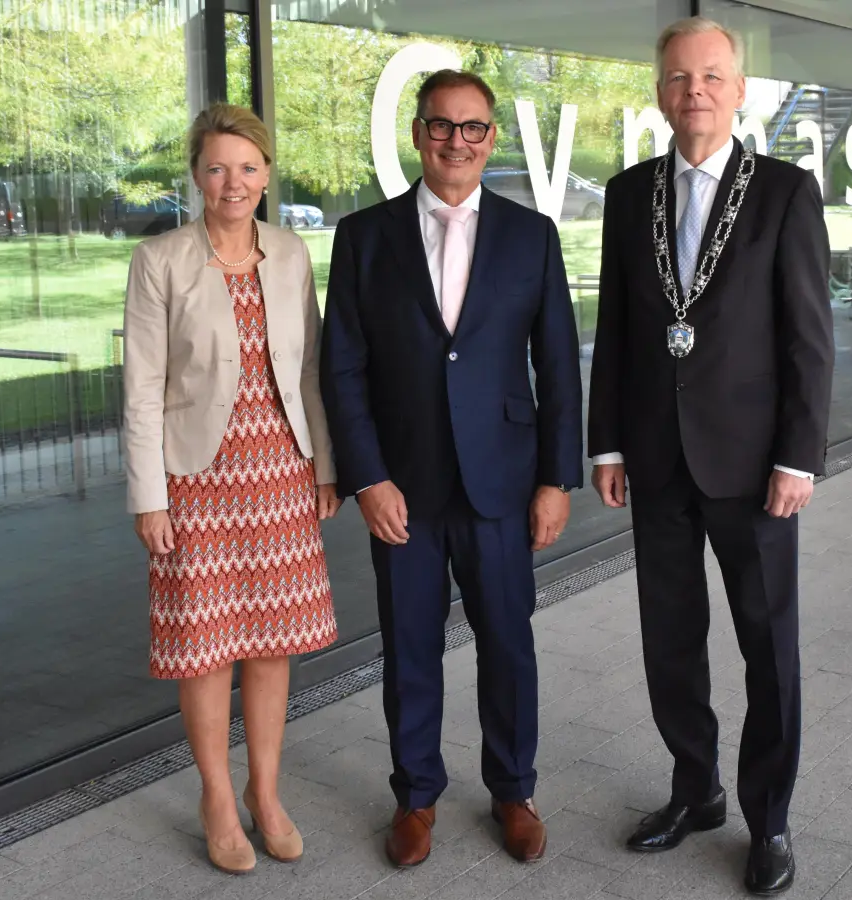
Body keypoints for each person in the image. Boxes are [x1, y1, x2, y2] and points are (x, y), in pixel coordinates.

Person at [587, 17, 834, 896]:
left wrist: (798, 458)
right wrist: (606, 440)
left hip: (756, 468)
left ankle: (769, 818)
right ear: (659, 90)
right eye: (679, 77)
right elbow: (615, 329)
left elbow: (810, 339)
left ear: (739, 91)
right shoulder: (628, 195)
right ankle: (697, 788)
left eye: (713, 76)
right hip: (654, 458)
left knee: (770, 649)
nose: (695, 91)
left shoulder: (783, 193)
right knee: (670, 641)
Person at [320, 70, 583, 867]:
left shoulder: (532, 235)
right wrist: (367, 477)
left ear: (491, 139)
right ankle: (417, 796)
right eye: (441, 126)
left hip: (503, 482)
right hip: (402, 486)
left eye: (472, 129)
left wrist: (553, 479)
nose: (456, 142)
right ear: (419, 134)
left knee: (508, 642)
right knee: (409, 647)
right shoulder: (364, 237)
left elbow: (559, 365)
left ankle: (513, 789)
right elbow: (343, 369)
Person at [122, 102, 341, 875]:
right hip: (195, 481)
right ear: (196, 175)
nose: (233, 182)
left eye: (247, 167)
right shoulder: (162, 262)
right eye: (217, 167)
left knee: (274, 644)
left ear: (268, 175)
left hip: (280, 472)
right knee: (206, 647)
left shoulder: (291, 253)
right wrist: (149, 496)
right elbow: (142, 388)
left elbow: (310, 368)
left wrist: (325, 466)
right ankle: (217, 796)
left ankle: (265, 792)